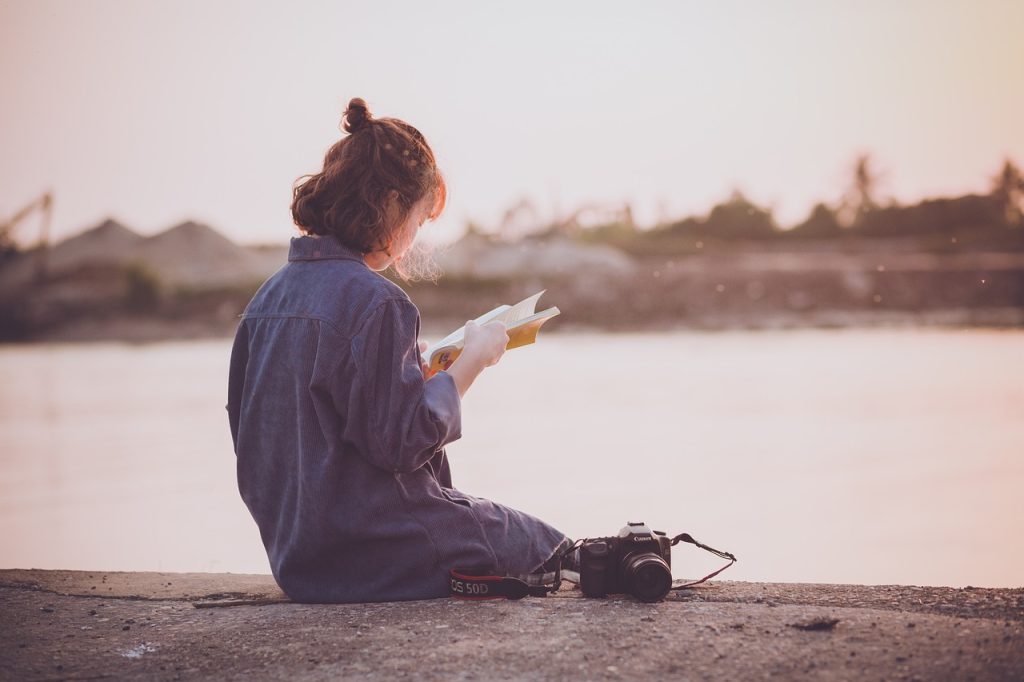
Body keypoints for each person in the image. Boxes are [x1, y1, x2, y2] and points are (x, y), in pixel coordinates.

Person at [227, 97, 570, 603]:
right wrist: (471, 364)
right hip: (370, 552)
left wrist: (414, 374)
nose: (413, 238)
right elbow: (402, 443)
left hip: (298, 558)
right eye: (418, 219)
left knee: (503, 530)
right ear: (389, 203)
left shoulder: (266, 300)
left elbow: (258, 427)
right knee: (547, 548)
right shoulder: (378, 301)